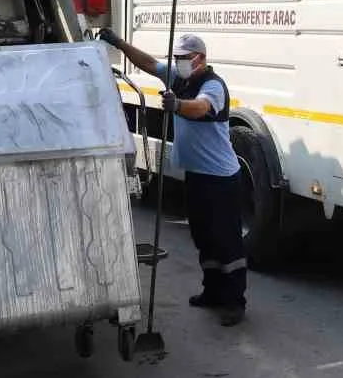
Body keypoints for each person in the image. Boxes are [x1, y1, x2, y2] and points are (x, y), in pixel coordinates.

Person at [98, 29, 247, 325]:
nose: (178, 62)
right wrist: (117, 42)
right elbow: (148, 64)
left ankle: (234, 302)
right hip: (197, 175)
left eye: (184, 58)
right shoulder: (178, 78)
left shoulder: (213, 85)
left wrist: (177, 105)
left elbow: (200, 108)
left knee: (226, 241)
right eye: (176, 58)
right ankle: (213, 291)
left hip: (221, 178)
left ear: (200, 59)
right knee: (203, 236)